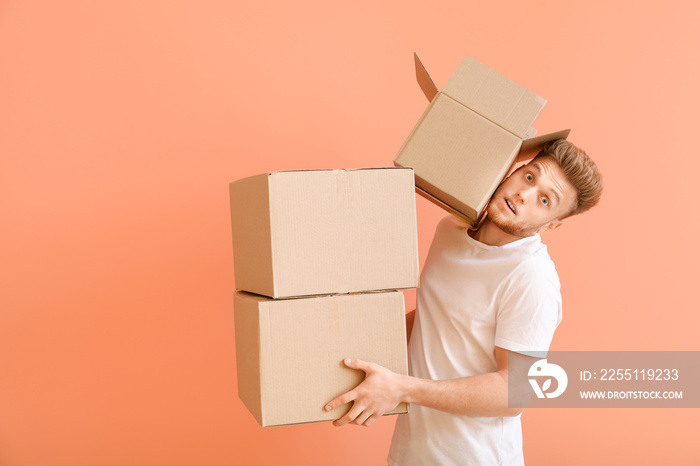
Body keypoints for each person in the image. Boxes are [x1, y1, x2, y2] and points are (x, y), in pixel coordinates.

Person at [324, 139, 603, 465]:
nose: (525, 195)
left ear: (552, 223)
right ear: (514, 170)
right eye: (529, 177)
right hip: (411, 453)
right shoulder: (450, 230)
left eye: (544, 200)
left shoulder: (531, 278)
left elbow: (515, 392)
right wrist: (349, 349)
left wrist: (401, 389)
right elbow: (438, 318)